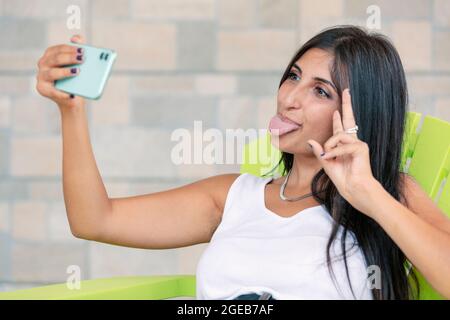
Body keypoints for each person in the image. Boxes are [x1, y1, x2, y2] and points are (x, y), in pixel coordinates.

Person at [35, 25, 450, 300]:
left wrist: (368, 195)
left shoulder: (388, 196)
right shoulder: (233, 196)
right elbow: (94, 220)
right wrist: (72, 113)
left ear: (361, 112)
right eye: (293, 76)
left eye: (320, 91)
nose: (290, 97)